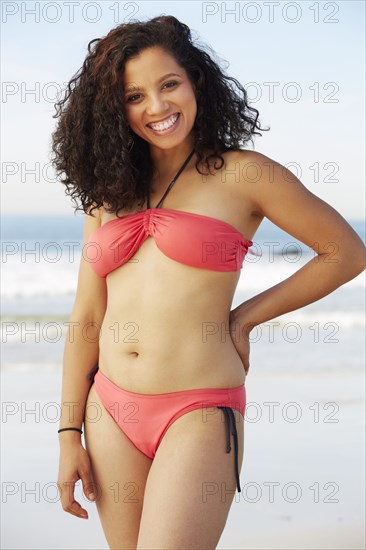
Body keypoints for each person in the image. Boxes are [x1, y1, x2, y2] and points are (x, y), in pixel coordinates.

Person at [52, 15, 365, 550]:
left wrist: (244, 317)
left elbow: (345, 253)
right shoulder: (105, 192)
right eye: (134, 95)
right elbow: (85, 317)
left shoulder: (245, 174)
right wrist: (67, 435)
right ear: (113, 108)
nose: (157, 107)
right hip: (110, 409)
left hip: (197, 408)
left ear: (196, 81)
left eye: (169, 84)